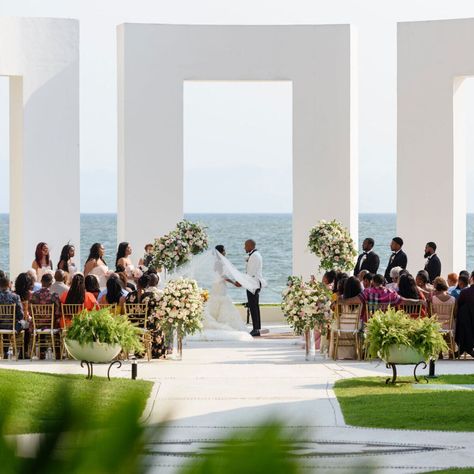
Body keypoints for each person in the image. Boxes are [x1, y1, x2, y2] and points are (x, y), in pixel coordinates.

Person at [235, 240, 266, 337]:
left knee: (253, 307)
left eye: (245, 246)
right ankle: (256, 328)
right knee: (254, 306)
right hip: (252, 284)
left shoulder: (254, 256)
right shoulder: (255, 255)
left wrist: (241, 281)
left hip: (253, 284)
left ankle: (256, 329)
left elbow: (250, 273)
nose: (244, 248)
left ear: (250, 246)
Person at [455, 271, 474, 357]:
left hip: (467, 324)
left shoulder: (465, 292)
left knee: (463, 311)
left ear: (472, 279)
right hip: (470, 322)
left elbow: (459, 305)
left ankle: (464, 347)